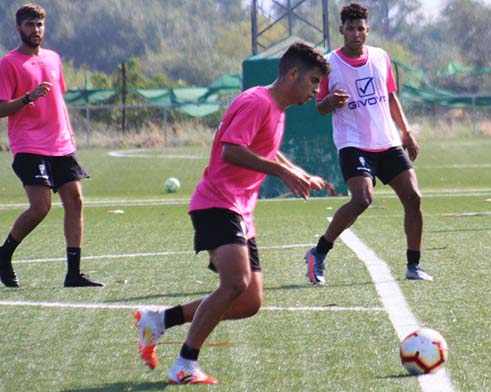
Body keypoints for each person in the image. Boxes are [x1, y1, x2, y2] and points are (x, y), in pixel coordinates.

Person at [133, 42, 330, 385]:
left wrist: (296, 171)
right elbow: (230, 152)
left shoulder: (275, 108)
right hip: (217, 202)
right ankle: (184, 364)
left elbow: (265, 149)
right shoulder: (257, 102)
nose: (316, 90)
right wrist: (281, 173)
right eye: (313, 81)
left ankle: (160, 320)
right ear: (293, 73)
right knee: (235, 283)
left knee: (249, 300)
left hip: (238, 209)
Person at [304, 2, 432, 285]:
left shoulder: (381, 57)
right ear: (341, 30)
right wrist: (328, 102)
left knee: (414, 197)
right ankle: (319, 252)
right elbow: (319, 107)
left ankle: (414, 265)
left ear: (367, 30)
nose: (355, 34)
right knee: (362, 199)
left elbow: (391, 97)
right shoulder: (329, 64)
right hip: (353, 143)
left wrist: (406, 132)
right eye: (350, 29)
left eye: (360, 28)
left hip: (387, 142)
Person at [0, 3, 102, 288]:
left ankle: (73, 274)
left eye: (40, 25)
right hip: (29, 145)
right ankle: (4, 254)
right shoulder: (9, 63)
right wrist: (27, 98)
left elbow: (58, 101)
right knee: (40, 207)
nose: (36, 30)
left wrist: (68, 135)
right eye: (30, 25)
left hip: (61, 144)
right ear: (18, 28)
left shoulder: (54, 59)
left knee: (76, 201)